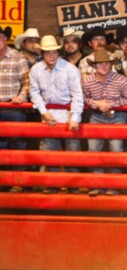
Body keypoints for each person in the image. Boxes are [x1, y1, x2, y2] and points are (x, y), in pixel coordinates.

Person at [29, 35, 84, 194]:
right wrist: (44, 112)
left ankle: (73, 187)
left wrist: (75, 118)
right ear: (43, 53)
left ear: (58, 52)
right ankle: (52, 186)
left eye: (54, 52)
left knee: (72, 155)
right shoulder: (36, 69)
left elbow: (77, 95)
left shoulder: (71, 69)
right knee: (49, 154)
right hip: (49, 116)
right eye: (47, 52)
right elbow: (34, 92)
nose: (51, 55)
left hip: (67, 116)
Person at [82, 48, 127, 197]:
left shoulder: (121, 80)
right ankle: (97, 185)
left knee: (116, 150)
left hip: (117, 116)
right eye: (100, 64)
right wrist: (96, 103)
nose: (103, 66)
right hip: (96, 115)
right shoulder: (88, 81)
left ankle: (113, 185)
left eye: (106, 63)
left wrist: (112, 103)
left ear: (111, 65)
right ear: (94, 66)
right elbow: (84, 97)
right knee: (94, 150)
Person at [0, 25, 30, 193]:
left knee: (18, 144)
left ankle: (18, 181)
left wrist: (21, 97)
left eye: (0, 37)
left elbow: (27, 82)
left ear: (5, 39)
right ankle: (3, 181)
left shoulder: (17, 57)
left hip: (13, 107)